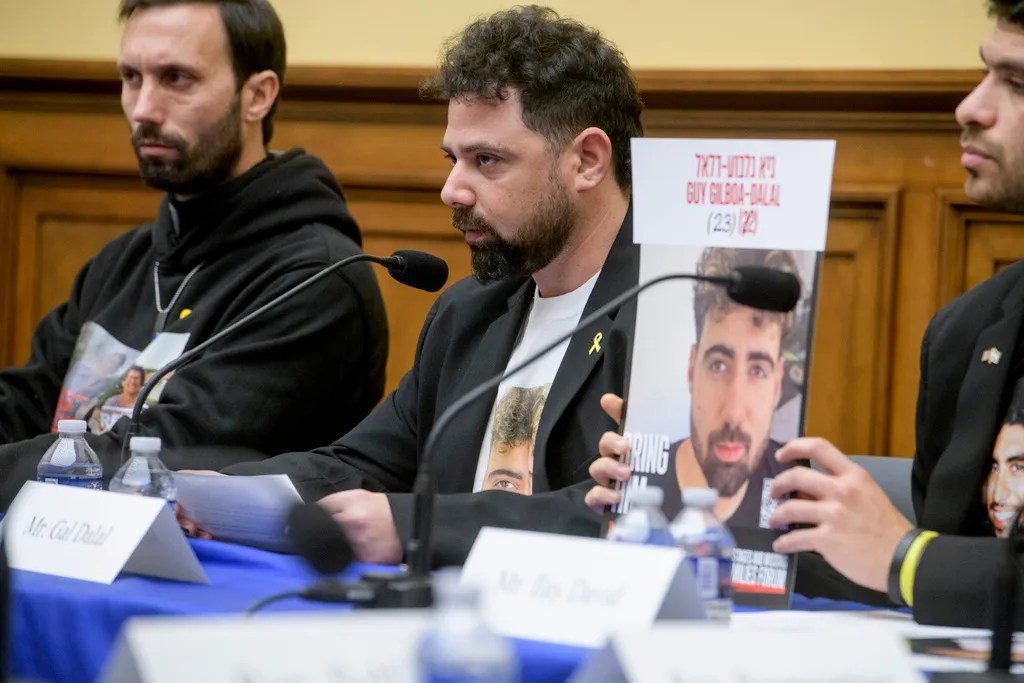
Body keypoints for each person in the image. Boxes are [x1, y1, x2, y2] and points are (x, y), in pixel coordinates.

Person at [587, 0, 1024, 629]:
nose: (970, 107)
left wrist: (905, 555)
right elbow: (937, 583)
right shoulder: (964, 332)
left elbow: (915, 562)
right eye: (985, 73)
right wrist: (765, 528)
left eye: (1016, 84)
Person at [183, 5, 646, 567]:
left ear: (588, 161)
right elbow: (363, 465)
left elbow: (630, 512)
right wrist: (222, 491)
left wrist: (416, 527)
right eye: (454, 159)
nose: (452, 190)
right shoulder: (468, 313)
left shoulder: (669, 319)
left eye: (487, 160)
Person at [0, 0, 388, 508]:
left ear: (257, 96)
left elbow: (163, 458)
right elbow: (26, 401)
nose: (143, 109)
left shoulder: (315, 281)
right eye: (131, 77)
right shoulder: (124, 260)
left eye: (177, 78)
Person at [656, 247, 797, 528]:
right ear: (692, 369)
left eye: (758, 370)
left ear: (777, 384)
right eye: (718, 365)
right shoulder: (634, 481)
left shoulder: (794, 491)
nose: (733, 414)